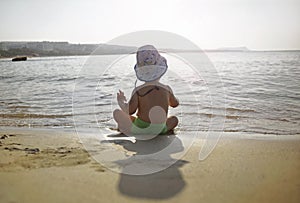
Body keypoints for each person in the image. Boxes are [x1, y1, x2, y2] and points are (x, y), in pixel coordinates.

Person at [113, 45, 179, 136]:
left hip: (140, 128)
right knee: (174, 119)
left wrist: (121, 101)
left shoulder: (139, 91)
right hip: (160, 128)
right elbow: (175, 104)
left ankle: (126, 129)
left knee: (117, 113)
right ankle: (162, 130)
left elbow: (130, 110)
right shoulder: (167, 89)